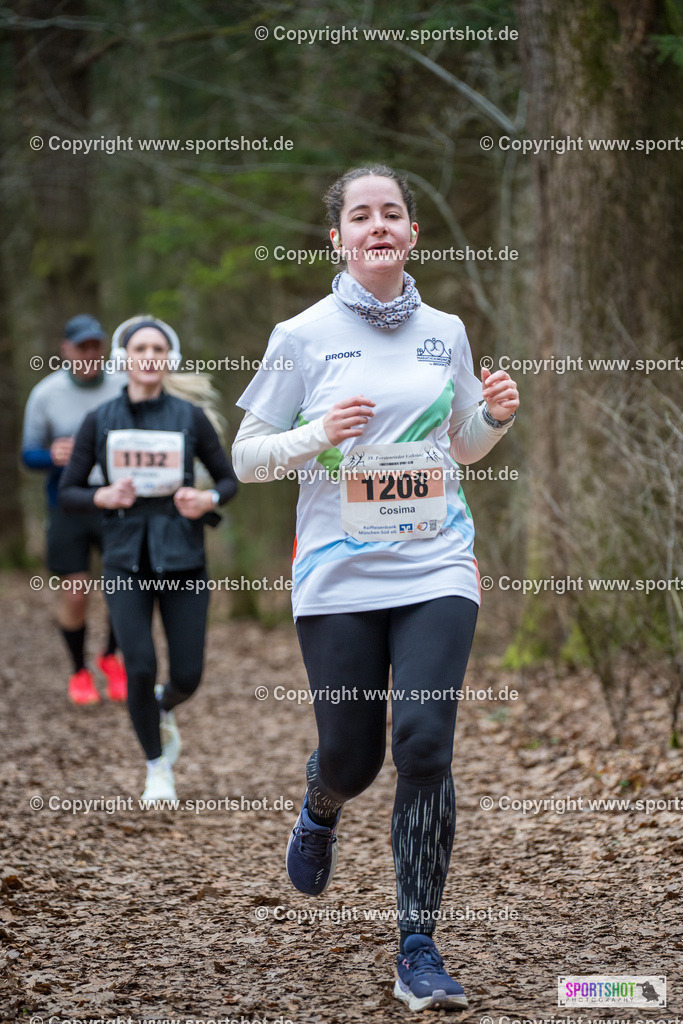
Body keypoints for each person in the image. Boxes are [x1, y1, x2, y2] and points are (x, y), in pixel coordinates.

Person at [232, 166, 519, 1011]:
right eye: (361, 215)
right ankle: (322, 802)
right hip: (338, 577)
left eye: (392, 212)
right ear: (338, 240)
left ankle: (417, 945)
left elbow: (462, 449)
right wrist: (319, 432)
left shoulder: (446, 329)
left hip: (436, 566)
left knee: (424, 743)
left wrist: (494, 416)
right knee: (354, 759)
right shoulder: (301, 334)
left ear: (411, 235)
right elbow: (247, 457)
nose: (377, 225)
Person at [59, 316, 238, 804]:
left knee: (187, 676)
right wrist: (104, 495)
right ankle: (157, 768)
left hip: (183, 559)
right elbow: (68, 491)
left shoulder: (189, 417)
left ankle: (160, 706)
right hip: (124, 561)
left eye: (159, 347)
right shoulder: (99, 419)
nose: (150, 355)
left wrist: (205, 500)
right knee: (137, 665)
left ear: (169, 358)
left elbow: (228, 481)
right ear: (124, 357)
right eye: (140, 347)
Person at [22, 314, 128, 705]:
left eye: (95, 346)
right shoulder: (46, 394)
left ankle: (111, 658)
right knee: (76, 592)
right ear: (65, 350)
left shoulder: (122, 386)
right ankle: (78, 670)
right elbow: (27, 455)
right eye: (81, 347)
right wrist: (50, 454)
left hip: (117, 500)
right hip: (66, 502)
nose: (89, 353)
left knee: (123, 587)